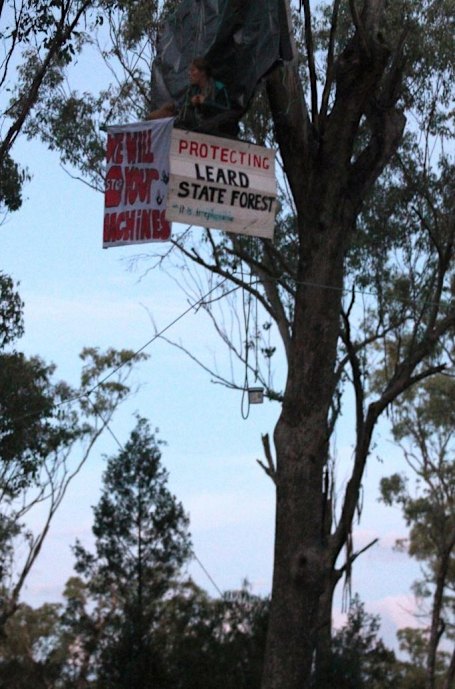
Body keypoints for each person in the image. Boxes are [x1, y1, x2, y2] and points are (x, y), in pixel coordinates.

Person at [149, 57, 238, 137]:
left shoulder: (218, 87)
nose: (189, 74)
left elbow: (226, 111)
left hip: (215, 129)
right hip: (196, 127)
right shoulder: (192, 90)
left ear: (202, 72)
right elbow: (183, 110)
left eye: (192, 70)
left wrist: (205, 103)